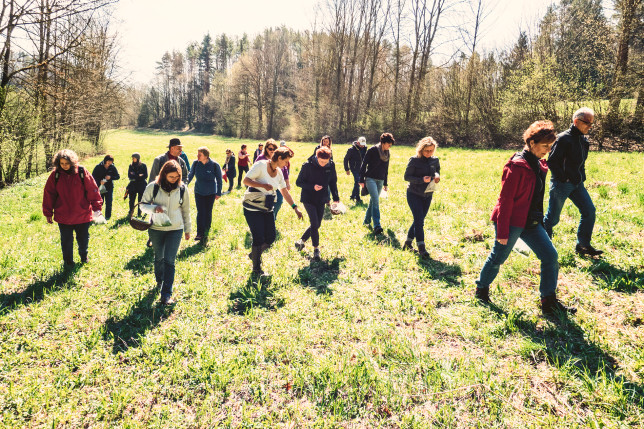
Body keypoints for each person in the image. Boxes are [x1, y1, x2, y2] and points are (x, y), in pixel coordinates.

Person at [475, 120, 576, 315]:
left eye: (550, 146)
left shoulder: (538, 164)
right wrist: (503, 231)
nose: (548, 150)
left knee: (550, 256)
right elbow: (505, 201)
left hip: (531, 222)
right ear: (531, 143)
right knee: (498, 257)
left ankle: (548, 301)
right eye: (544, 146)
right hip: (511, 221)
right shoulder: (517, 166)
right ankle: (481, 289)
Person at [543, 107, 602, 257]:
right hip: (561, 185)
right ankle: (543, 247)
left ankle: (583, 246)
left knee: (589, 211)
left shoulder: (584, 140)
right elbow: (553, 162)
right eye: (587, 123)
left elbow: (580, 163)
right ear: (576, 121)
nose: (590, 126)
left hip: (577, 184)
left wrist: (580, 177)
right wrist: (563, 178)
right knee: (552, 218)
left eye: (591, 123)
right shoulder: (563, 139)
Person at [242, 147, 303, 275]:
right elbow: (246, 180)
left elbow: (284, 191)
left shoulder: (280, 172)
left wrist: (295, 207)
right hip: (252, 207)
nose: (287, 164)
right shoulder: (260, 165)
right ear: (279, 158)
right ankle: (257, 269)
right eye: (285, 161)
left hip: (267, 207)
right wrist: (262, 185)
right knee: (258, 238)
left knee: (271, 237)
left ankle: (255, 254)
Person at [42, 149, 103, 267]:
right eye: (62, 163)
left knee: (83, 239)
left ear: (73, 162)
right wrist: (48, 213)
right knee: (66, 241)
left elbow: (93, 190)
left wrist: (97, 207)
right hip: (63, 215)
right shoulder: (56, 175)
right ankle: (68, 262)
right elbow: (49, 194)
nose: (64, 166)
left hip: (82, 214)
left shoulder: (81, 172)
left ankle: (83, 256)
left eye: (67, 163)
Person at [142, 160, 191, 305]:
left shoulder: (182, 189)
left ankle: (166, 294)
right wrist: (154, 208)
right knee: (159, 257)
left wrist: (187, 229)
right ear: (164, 175)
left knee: (170, 260)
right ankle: (159, 281)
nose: (174, 180)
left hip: (175, 228)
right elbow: (143, 206)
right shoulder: (153, 187)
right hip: (156, 228)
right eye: (171, 177)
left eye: (177, 177)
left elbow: (186, 210)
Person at [294, 146, 340, 261]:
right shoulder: (307, 165)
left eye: (326, 162)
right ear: (316, 157)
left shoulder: (331, 165)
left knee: (317, 224)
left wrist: (336, 198)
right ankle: (316, 249)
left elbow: (333, 182)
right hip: (308, 198)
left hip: (321, 198)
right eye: (321, 161)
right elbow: (298, 182)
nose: (323, 164)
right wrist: (312, 187)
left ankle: (301, 241)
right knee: (314, 222)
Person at [403, 137, 441, 258]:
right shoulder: (414, 160)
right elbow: (407, 177)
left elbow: (437, 171)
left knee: (418, 220)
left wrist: (437, 176)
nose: (429, 153)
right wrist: (420, 180)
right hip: (414, 194)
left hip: (428, 194)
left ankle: (408, 244)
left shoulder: (435, 160)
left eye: (431, 150)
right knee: (419, 221)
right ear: (421, 149)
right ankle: (421, 248)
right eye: (426, 151)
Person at [360, 132, 394, 235]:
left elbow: (386, 169)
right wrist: (361, 180)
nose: (389, 146)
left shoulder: (387, 153)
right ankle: (377, 225)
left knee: (373, 201)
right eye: (388, 144)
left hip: (381, 180)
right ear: (383, 142)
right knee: (376, 200)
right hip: (370, 179)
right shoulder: (372, 150)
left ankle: (366, 221)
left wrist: (385, 183)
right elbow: (364, 164)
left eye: (390, 145)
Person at [186, 147, 222, 242]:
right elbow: (190, 175)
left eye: (200, 155)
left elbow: (219, 179)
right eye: (197, 154)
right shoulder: (195, 163)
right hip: (199, 191)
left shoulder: (214, 165)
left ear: (206, 156)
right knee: (200, 212)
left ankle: (206, 230)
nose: (197, 156)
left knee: (208, 212)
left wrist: (218, 192)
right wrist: (185, 184)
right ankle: (199, 233)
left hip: (211, 192)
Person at [255, 139, 289, 219]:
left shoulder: (278, 158)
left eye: (274, 149)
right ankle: (266, 219)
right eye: (270, 149)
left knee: (279, 201)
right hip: (265, 186)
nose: (272, 151)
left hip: (277, 184)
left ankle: (273, 217)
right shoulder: (261, 158)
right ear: (266, 149)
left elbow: (285, 171)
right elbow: (255, 170)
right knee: (266, 204)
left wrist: (287, 183)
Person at [91, 154, 120, 220]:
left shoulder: (112, 167)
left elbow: (118, 176)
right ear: (105, 161)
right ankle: (98, 216)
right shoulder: (98, 167)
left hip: (109, 187)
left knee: (109, 202)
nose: (109, 164)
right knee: (100, 202)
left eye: (111, 163)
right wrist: (99, 181)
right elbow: (93, 177)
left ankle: (107, 217)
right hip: (100, 187)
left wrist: (111, 177)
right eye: (108, 162)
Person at [344, 136, 367, 204]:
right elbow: (346, 159)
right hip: (354, 168)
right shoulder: (351, 150)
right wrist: (347, 169)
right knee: (357, 181)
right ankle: (357, 198)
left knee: (357, 182)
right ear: (357, 143)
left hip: (362, 168)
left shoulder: (365, 148)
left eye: (364, 144)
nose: (362, 146)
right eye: (361, 144)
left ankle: (352, 196)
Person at [127, 153, 148, 217]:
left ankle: (139, 213)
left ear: (137, 158)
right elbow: (129, 176)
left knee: (140, 200)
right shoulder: (131, 166)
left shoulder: (143, 165)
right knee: (131, 199)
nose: (132, 159)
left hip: (141, 185)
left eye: (134, 158)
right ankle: (131, 212)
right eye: (132, 158)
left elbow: (146, 175)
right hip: (133, 184)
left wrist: (135, 175)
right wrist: (138, 175)